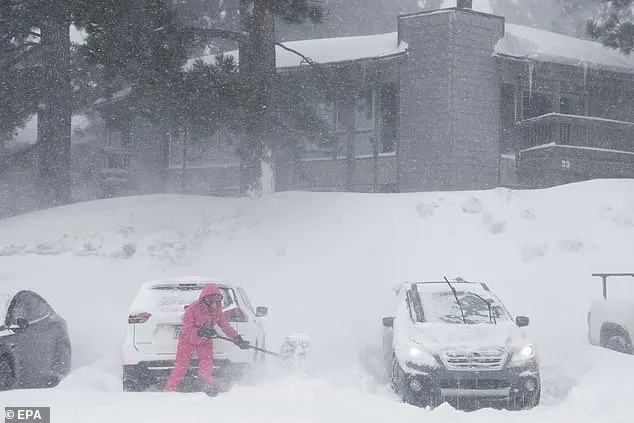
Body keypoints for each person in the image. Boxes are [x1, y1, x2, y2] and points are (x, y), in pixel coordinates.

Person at [163, 283, 250, 392]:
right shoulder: (193, 308)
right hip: (187, 340)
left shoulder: (217, 309)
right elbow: (186, 329)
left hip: (205, 341)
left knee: (207, 366)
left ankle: (206, 386)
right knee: (181, 366)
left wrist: (237, 338)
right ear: (204, 297)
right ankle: (169, 390)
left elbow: (224, 325)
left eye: (217, 298)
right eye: (211, 297)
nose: (214, 300)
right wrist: (200, 331)